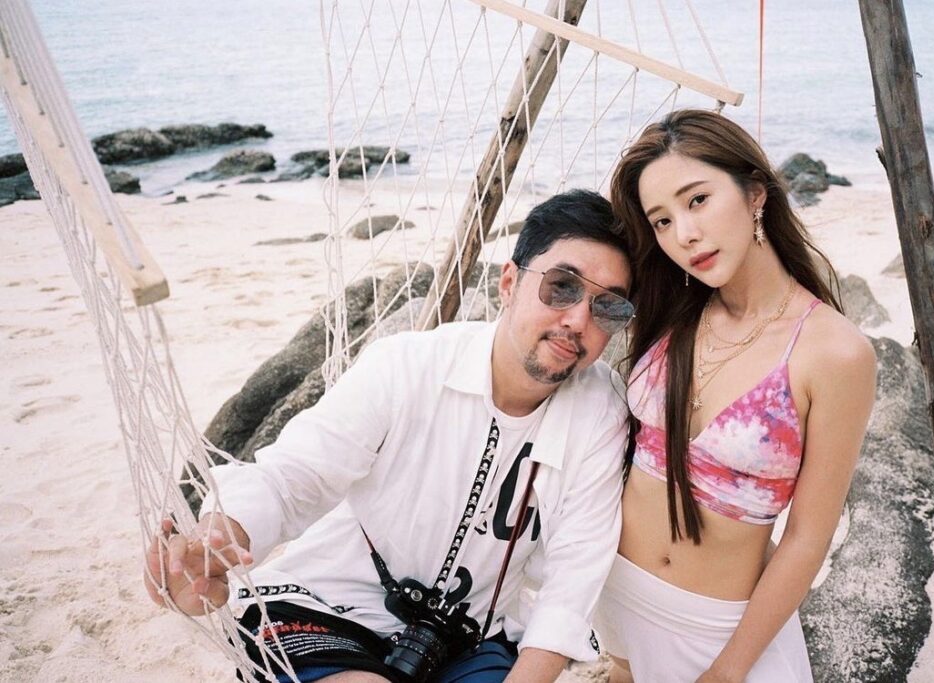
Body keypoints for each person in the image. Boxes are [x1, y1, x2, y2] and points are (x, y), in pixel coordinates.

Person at [144, 189, 635, 683]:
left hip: (469, 637)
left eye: (608, 308)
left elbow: (572, 580)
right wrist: (218, 542)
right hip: (326, 605)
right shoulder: (406, 365)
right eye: (562, 287)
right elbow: (291, 477)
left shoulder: (602, 413)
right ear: (509, 283)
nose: (578, 320)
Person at [597, 109, 877, 682]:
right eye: (662, 221)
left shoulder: (834, 352)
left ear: (755, 194)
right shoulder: (674, 312)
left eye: (697, 200)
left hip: (718, 631)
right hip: (615, 595)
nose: (684, 235)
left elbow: (807, 538)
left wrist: (727, 672)